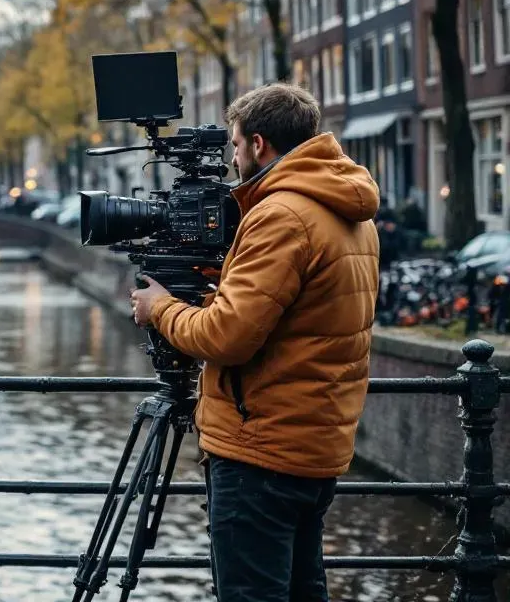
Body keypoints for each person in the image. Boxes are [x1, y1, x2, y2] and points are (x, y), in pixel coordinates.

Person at [129, 83, 379, 602]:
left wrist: (161, 309)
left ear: (259, 144)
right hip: (314, 442)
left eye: (236, 146)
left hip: (260, 450)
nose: (234, 158)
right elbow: (307, 313)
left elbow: (226, 336)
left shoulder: (280, 214)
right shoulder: (348, 208)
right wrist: (229, 281)